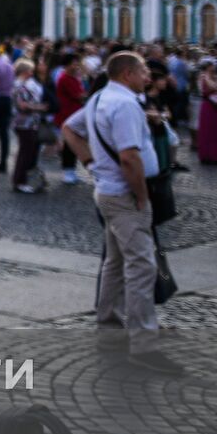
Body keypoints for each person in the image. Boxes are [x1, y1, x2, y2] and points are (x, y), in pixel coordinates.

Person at [61, 52, 180, 375]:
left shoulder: (99, 97)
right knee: (142, 266)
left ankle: (109, 325)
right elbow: (129, 157)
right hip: (125, 195)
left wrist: (89, 162)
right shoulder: (126, 104)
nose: (148, 77)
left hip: (106, 190)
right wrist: (141, 195)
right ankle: (144, 345)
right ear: (127, 73)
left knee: (114, 262)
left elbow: (69, 129)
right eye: (143, 71)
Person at [10, 60, 47, 193]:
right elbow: (23, 105)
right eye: (31, 70)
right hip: (25, 123)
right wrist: (40, 107)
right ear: (25, 72)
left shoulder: (20, 84)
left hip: (26, 123)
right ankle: (20, 181)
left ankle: (20, 180)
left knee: (25, 152)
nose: (32, 73)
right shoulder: (21, 86)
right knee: (25, 153)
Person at [54, 52, 87, 184]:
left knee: (72, 145)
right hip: (67, 115)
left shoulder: (73, 78)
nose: (77, 65)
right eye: (74, 63)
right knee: (69, 145)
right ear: (67, 65)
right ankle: (68, 172)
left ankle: (71, 170)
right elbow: (79, 96)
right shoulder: (66, 78)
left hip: (73, 114)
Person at [196, 60, 217, 165]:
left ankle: (216, 155)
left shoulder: (215, 76)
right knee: (207, 130)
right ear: (208, 66)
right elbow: (211, 88)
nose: (214, 67)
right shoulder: (203, 76)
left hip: (216, 105)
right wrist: (209, 78)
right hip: (208, 105)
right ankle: (206, 155)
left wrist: (215, 80)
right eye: (212, 66)